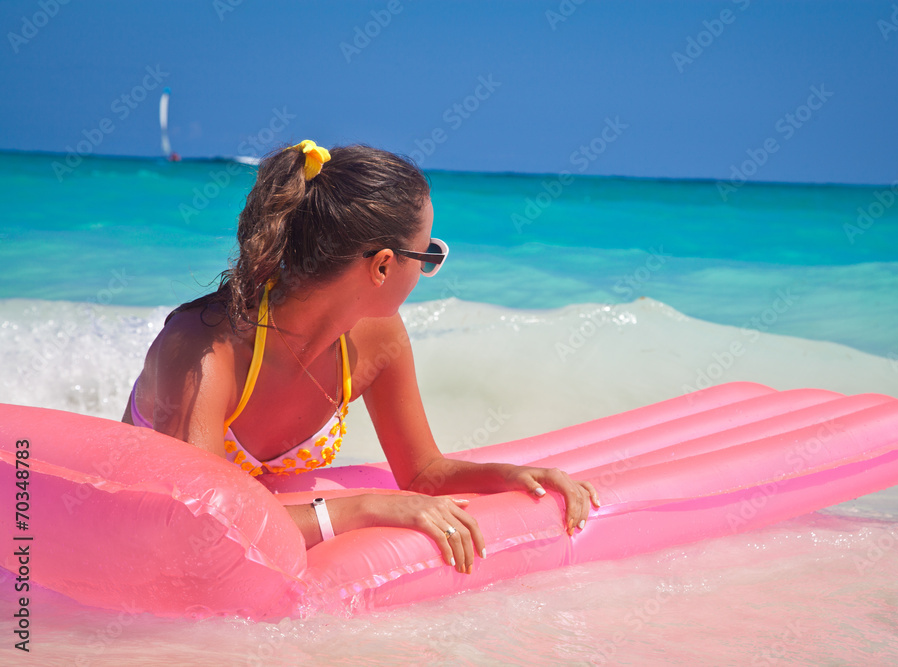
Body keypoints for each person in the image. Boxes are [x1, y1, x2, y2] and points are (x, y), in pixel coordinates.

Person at [123, 140, 599, 574]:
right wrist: (365, 507)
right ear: (384, 265)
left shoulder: (378, 339)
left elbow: (423, 472)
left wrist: (515, 478)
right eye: (428, 255)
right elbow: (198, 519)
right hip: (141, 550)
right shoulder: (206, 350)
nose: (427, 269)